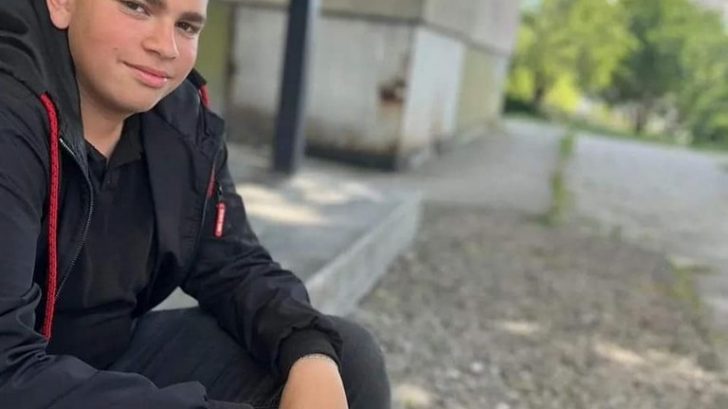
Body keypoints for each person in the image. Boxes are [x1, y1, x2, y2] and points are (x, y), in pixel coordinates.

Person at [0, 0, 391, 408]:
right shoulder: (11, 112)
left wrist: (310, 352)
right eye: (137, 7)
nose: (165, 46)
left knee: (344, 360)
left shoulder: (177, 121)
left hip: (106, 360)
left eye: (186, 26)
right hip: (20, 378)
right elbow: (7, 372)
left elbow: (234, 264)